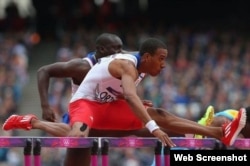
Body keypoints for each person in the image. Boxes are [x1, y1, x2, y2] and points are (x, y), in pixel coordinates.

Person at [3, 38, 246, 165]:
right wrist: (152, 127)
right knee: (78, 138)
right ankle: (33, 122)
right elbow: (129, 94)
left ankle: (219, 132)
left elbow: (118, 92)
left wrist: (144, 112)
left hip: (107, 105)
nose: (163, 65)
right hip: (84, 105)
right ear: (147, 56)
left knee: (158, 112)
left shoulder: (141, 66)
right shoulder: (128, 65)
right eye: (161, 60)